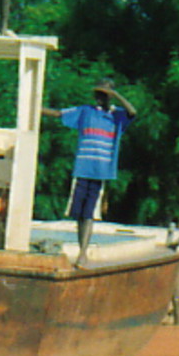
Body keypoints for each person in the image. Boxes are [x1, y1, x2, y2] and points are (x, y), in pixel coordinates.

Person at [42, 79, 138, 266]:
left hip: (100, 171)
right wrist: (33, 107)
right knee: (78, 213)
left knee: (90, 213)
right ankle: (81, 250)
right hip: (82, 168)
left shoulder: (117, 116)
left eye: (103, 94)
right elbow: (57, 113)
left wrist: (115, 95)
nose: (99, 98)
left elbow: (133, 112)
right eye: (98, 94)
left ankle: (83, 253)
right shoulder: (85, 111)